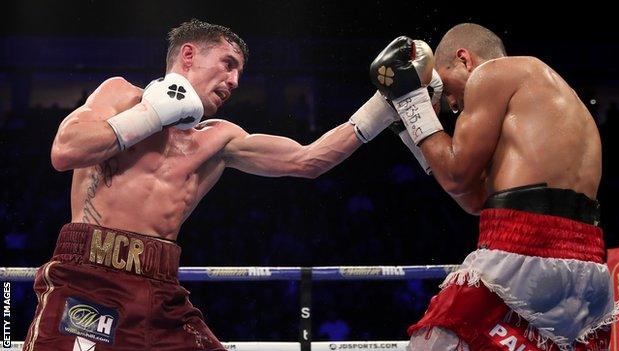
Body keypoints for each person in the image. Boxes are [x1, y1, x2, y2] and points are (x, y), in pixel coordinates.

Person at [22, 19, 400, 351]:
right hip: (90, 278)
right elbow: (65, 151)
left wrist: (385, 104)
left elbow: (308, 160)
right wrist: (152, 114)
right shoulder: (120, 96)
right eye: (228, 64)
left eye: (239, 72)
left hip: (161, 293)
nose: (235, 81)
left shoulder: (218, 140)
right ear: (188, 55)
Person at [370, 23, 619, 350]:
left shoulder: (493, 73)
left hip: (526, 247)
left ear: (464, 59)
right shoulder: (545, 101)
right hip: (588, 270)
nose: (454, 105)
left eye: (446, 91)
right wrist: (411, 130)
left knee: (436, 340)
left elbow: (456, 174)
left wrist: (411, 98)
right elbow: (472, 197)